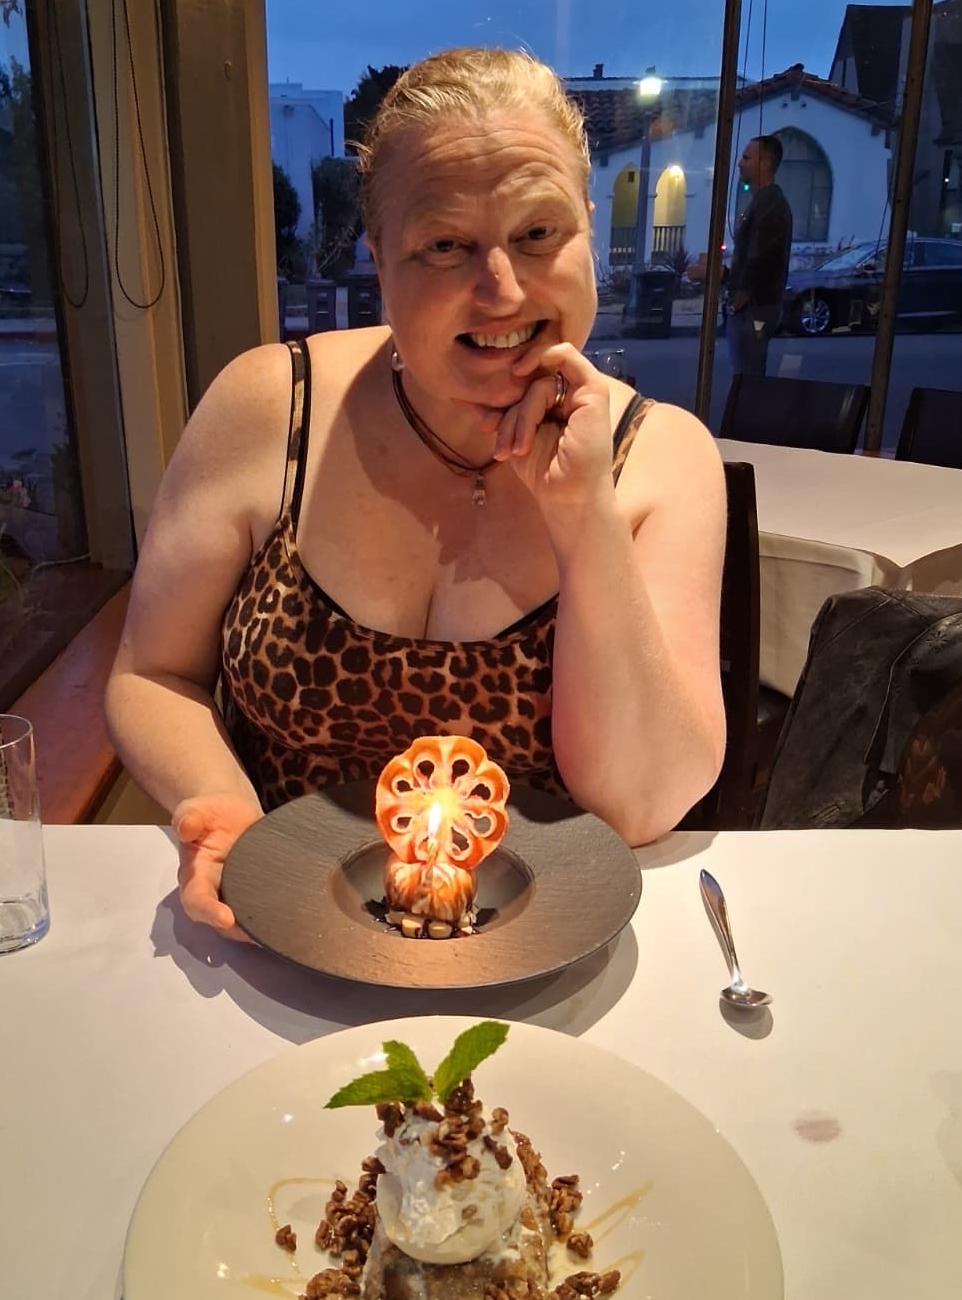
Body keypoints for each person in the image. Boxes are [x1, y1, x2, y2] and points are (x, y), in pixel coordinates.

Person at [105, 48, 727, 936]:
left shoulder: (664, 456)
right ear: (380, 262)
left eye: (540, 233)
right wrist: (219, 807)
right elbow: (151, 671)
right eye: (445, 245)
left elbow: (639, 803)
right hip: (275, 934)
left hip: (549, 964)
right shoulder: (266, 405)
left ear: (590, 227)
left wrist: (582, 514)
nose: (503, 288)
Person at [726, 135, 793, 377]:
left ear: (764, 163)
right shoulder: (764, 202)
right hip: (753, 308)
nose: (740, 164)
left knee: (748, 379)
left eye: (746, 158)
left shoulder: (770, 204)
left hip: (754, 310)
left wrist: (739, 299)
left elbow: (760, 257)